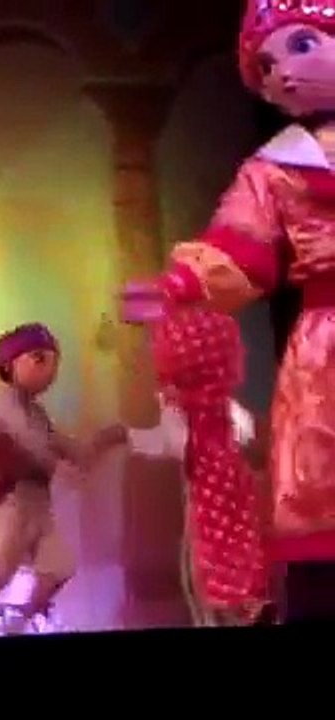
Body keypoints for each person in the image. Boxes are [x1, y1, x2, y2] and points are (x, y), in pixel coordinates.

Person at [120, 0, 335, 621]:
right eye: (266, 67)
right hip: (326, 355)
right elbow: (241, 248)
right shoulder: (272, 170)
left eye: (301, 46)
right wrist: (180, 283)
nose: (282, 73)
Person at [96, 308, 270, 625]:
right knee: (201, 582)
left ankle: (246, 609)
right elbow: (167, 442)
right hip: (205, 510)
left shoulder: (220, 412)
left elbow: (246, 443)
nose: (164, 391)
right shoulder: (190, 413)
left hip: (226, 512)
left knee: (216, 583)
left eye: (174, 381)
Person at [0, 322, 111, 637]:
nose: (49, 371)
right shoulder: (5, 403)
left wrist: (97, 445)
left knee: (58, 566)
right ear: (9, 365)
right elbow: (29, 439)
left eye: (53, 363)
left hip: (38, 503)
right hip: (10, 500)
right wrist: (58, 463)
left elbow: (61, 443)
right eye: (39, 359)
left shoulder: (38, 413)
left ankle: (18, 624)